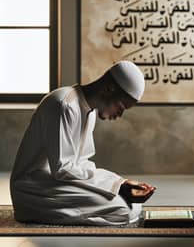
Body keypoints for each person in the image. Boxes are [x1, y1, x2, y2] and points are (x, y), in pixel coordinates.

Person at [10, 60, 156, 226]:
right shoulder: (63, 105)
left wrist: (119, 183)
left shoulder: (89, 112)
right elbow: (63, 169)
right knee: (121, 210)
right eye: (121, 106)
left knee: (130, 206)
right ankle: (33, 211)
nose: (119, 114)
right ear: (109, 89)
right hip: (33, 188)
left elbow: (80, 164)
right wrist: (116, 186)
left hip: (57, 182)